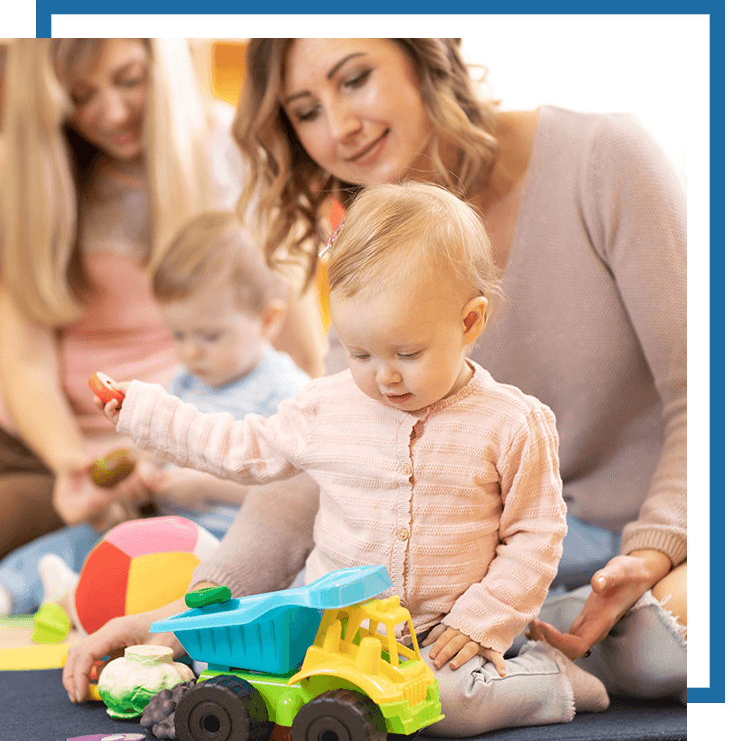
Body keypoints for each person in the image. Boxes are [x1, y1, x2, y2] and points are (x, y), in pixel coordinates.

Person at [63, 37, 686, 715]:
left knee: (658, 645)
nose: (338, 128)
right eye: (305, 111)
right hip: (464, 587)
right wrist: (186, 619)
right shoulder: (373, 260)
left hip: (639, 545)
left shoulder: (602, 158)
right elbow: (314, 469)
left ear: (425, 53)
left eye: (354, 79)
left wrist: (656, 549)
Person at [94, 182, 614, 735]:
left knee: (444, 707)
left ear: (469, 322)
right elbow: (241, 447)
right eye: (359, 352)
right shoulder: (328, 406)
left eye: (407, 354)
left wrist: (483, 618)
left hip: (447, 632)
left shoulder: (512, 422)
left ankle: (550, 678)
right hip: (334, 629)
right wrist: (144, 412)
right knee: (242, 672)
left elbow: (536, 535)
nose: (383, 376)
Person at [0, 38, 325, 561]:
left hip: (181, 453)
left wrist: (188, 461)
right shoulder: (26, 172)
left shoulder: (234, 154)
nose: (110, 112)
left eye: (128, 79)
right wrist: (73, 464)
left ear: (162, 61)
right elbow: (23, 361)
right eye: (80, 96)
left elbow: (300, 358)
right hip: (49, 450)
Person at [0, 210, 312, 616]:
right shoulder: (184, 383)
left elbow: (297, 491)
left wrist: (204, 487)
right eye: (178, 335)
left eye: (209, 335)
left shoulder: (288, 392)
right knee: (84, 540)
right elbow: (149, 449)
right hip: (160, 526)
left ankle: (78, 598)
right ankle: (15, 588)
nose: (191, 351)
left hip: (232, 540)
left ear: (267, 320)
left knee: (187, 586)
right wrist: (138, 474)